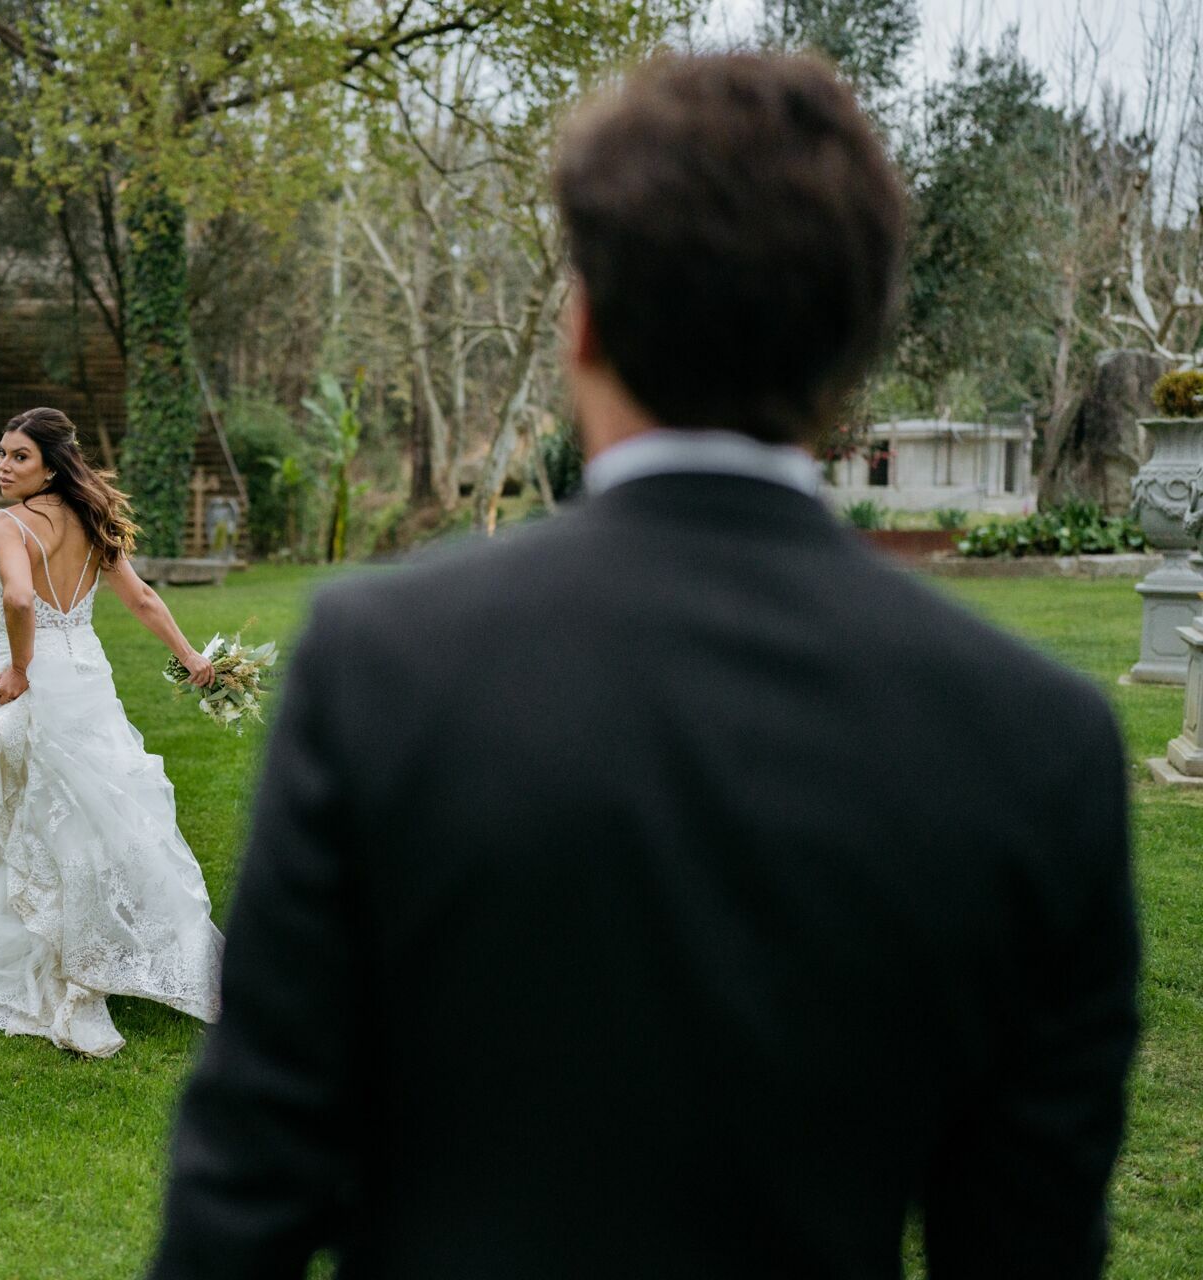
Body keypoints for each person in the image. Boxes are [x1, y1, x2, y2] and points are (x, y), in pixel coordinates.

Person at [150, 53, 1138, 1277]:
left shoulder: (382, 668)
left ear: (585, 324)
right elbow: (1031, 1240)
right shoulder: (1038, 742)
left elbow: (246, 1192)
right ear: (854, 350)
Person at [0, 407, 223, 1058]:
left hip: (32, 684)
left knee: (16, 816)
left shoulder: (7, 525)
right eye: (1, 455)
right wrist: (193, 658)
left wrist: (17, 668)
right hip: (89, 679)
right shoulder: (90, 521)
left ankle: (58, 965)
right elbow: (142, 599)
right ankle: (92, 942)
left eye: (18, 457)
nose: (3, 468)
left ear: (49, 464)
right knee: (92, 819)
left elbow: (17, 598)